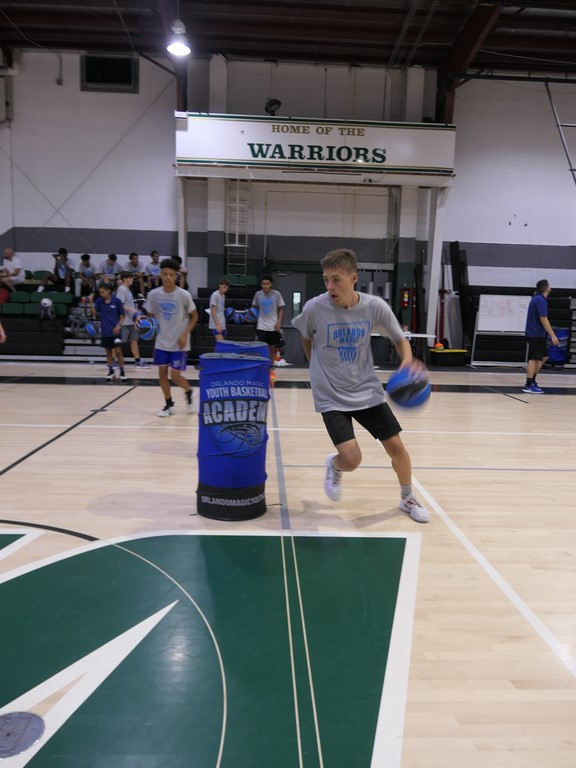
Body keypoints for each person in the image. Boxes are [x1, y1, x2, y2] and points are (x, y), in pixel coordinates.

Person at [291, 248, 430, 523]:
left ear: (354, 278)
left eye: (336, 279)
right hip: (331, 395)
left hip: (366, 390)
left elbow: (399, 339)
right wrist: (314, 365)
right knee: (352, 460)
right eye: (326, 280)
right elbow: (306, 336)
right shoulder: (314, 308)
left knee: (397, 448)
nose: (330, 286)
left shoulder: (374, 306)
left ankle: (407, 497)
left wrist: (406, 362)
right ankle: (335, 466)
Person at [144, 258, 198, 417]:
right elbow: (150, 318)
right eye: (165, 274)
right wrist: (143, 324)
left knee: (175, 375)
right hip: (161, 341)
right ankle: (168, 404)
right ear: (160, 274)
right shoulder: (153, 295)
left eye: (171, 274)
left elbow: (195, 316)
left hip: (178, 342)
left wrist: (185, 333)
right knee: (162, 373)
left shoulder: (184, 295)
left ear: (176, 276)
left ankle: (188, 391)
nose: (168, 277)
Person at [523, 279, 558, 394]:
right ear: (546, 288)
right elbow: (543, 319)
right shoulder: (540, 300)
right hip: (535, 333)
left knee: (544, 356)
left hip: (538, 333)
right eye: (549, 285)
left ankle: (532, 380)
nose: (550, 287)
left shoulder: (539, 299)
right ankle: (528, 384)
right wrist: (553, 335)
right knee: (533, 358)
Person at [89, 283, 127, 381]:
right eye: (100, 292)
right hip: (105, 332)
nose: (101, 294)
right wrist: (90, 302)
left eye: (103, 292)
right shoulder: (99, 301)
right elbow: (93, 313)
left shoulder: (117, 301)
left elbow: (123, 315)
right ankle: (111, 371)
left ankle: (122, 372)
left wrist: (118, 326)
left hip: (116, 332)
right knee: (109, 353)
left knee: (118, 351)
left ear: (108, 291)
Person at [252, 273, 285, 380]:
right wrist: (251, 316)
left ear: (271, 284)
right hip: (261, 324)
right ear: (261, 284)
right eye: (263, 284)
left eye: (267, 284)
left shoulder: (276, 294)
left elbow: (281, 309)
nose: (265, 286)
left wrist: (279, 322)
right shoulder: (258, 294)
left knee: (272, 347)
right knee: (262, 346)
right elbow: (254, 308)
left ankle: (271, 366)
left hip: (273, 325)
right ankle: (262, 365)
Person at [116, 271, 149, 368]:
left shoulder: (127, 290)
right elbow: (119, 305)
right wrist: (132, 310)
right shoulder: (122, 290)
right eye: (130, 278)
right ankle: (113, 361)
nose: (132, 280)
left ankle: (138, 361)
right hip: (124, 321)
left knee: (134, 340)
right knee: (118, 343)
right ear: (125, 279)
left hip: (131, 321)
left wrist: (135, 313)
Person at [209, 278, 230, 342]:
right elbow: (213, 311)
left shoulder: (223, 296)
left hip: (222, 322)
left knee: (222, 344)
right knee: (221, 343)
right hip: (216, 324)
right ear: (220, 285)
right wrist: (217, 325)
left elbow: (220, 308)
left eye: (227, 288)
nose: (225, 289)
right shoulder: (215, 295)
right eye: (224, 287)